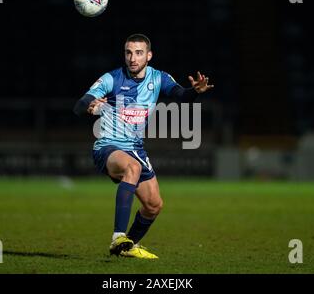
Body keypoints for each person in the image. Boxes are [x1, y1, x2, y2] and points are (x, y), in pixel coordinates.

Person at [73, 33, 213, 259]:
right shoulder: (112, 78)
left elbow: (181, 96)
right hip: (108, 147)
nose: (132, 58)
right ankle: (118, 236)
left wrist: (195, 92)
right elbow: (79, 105)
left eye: (138, 53)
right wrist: (91, 105)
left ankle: (128, 246)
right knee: (133, 169)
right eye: (128, 52)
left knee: (153, 205)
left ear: (149, 55)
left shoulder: (158, 78)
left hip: (135, 149)